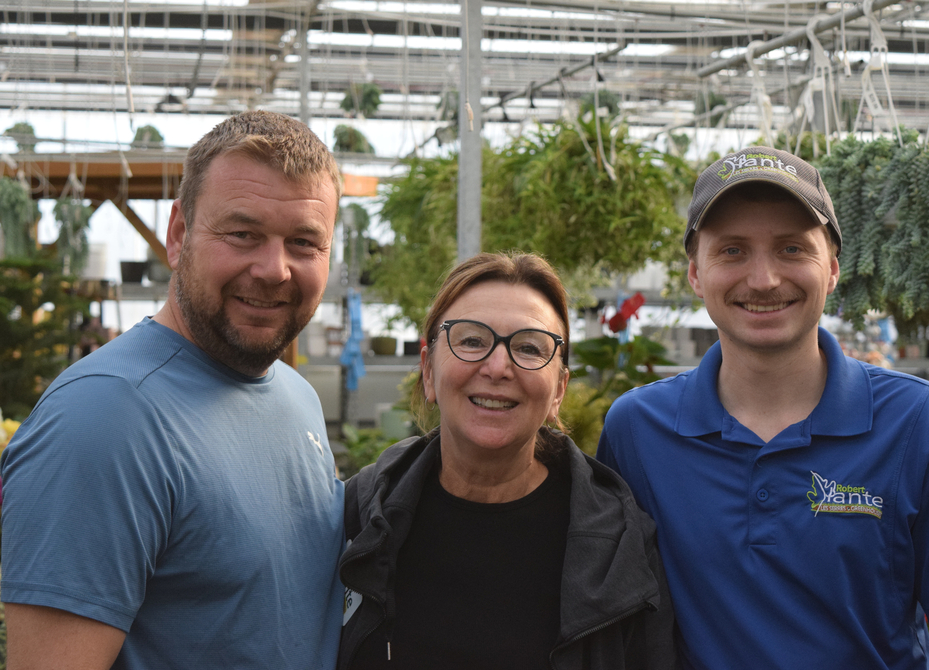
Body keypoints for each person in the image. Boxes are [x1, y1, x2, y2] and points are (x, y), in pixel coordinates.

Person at [598, 146, 929, 669]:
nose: (763, 279)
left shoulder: (920, 424)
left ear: (831, 269)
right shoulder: (639, 431)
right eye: (733, 251)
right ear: (695, 274)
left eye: (791, 249)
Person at [1, 111, 346, 669]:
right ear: (180, 234)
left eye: (304, 242)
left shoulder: (295, 395)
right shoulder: (105, 419)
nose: (274, 269)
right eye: (243, 234)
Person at [338, 252, 677, 670]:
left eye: (530, 348)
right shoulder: (365, 516)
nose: (497, 367)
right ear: (428, 370)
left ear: (558, 391)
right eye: (472, 341)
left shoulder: (619, 546)